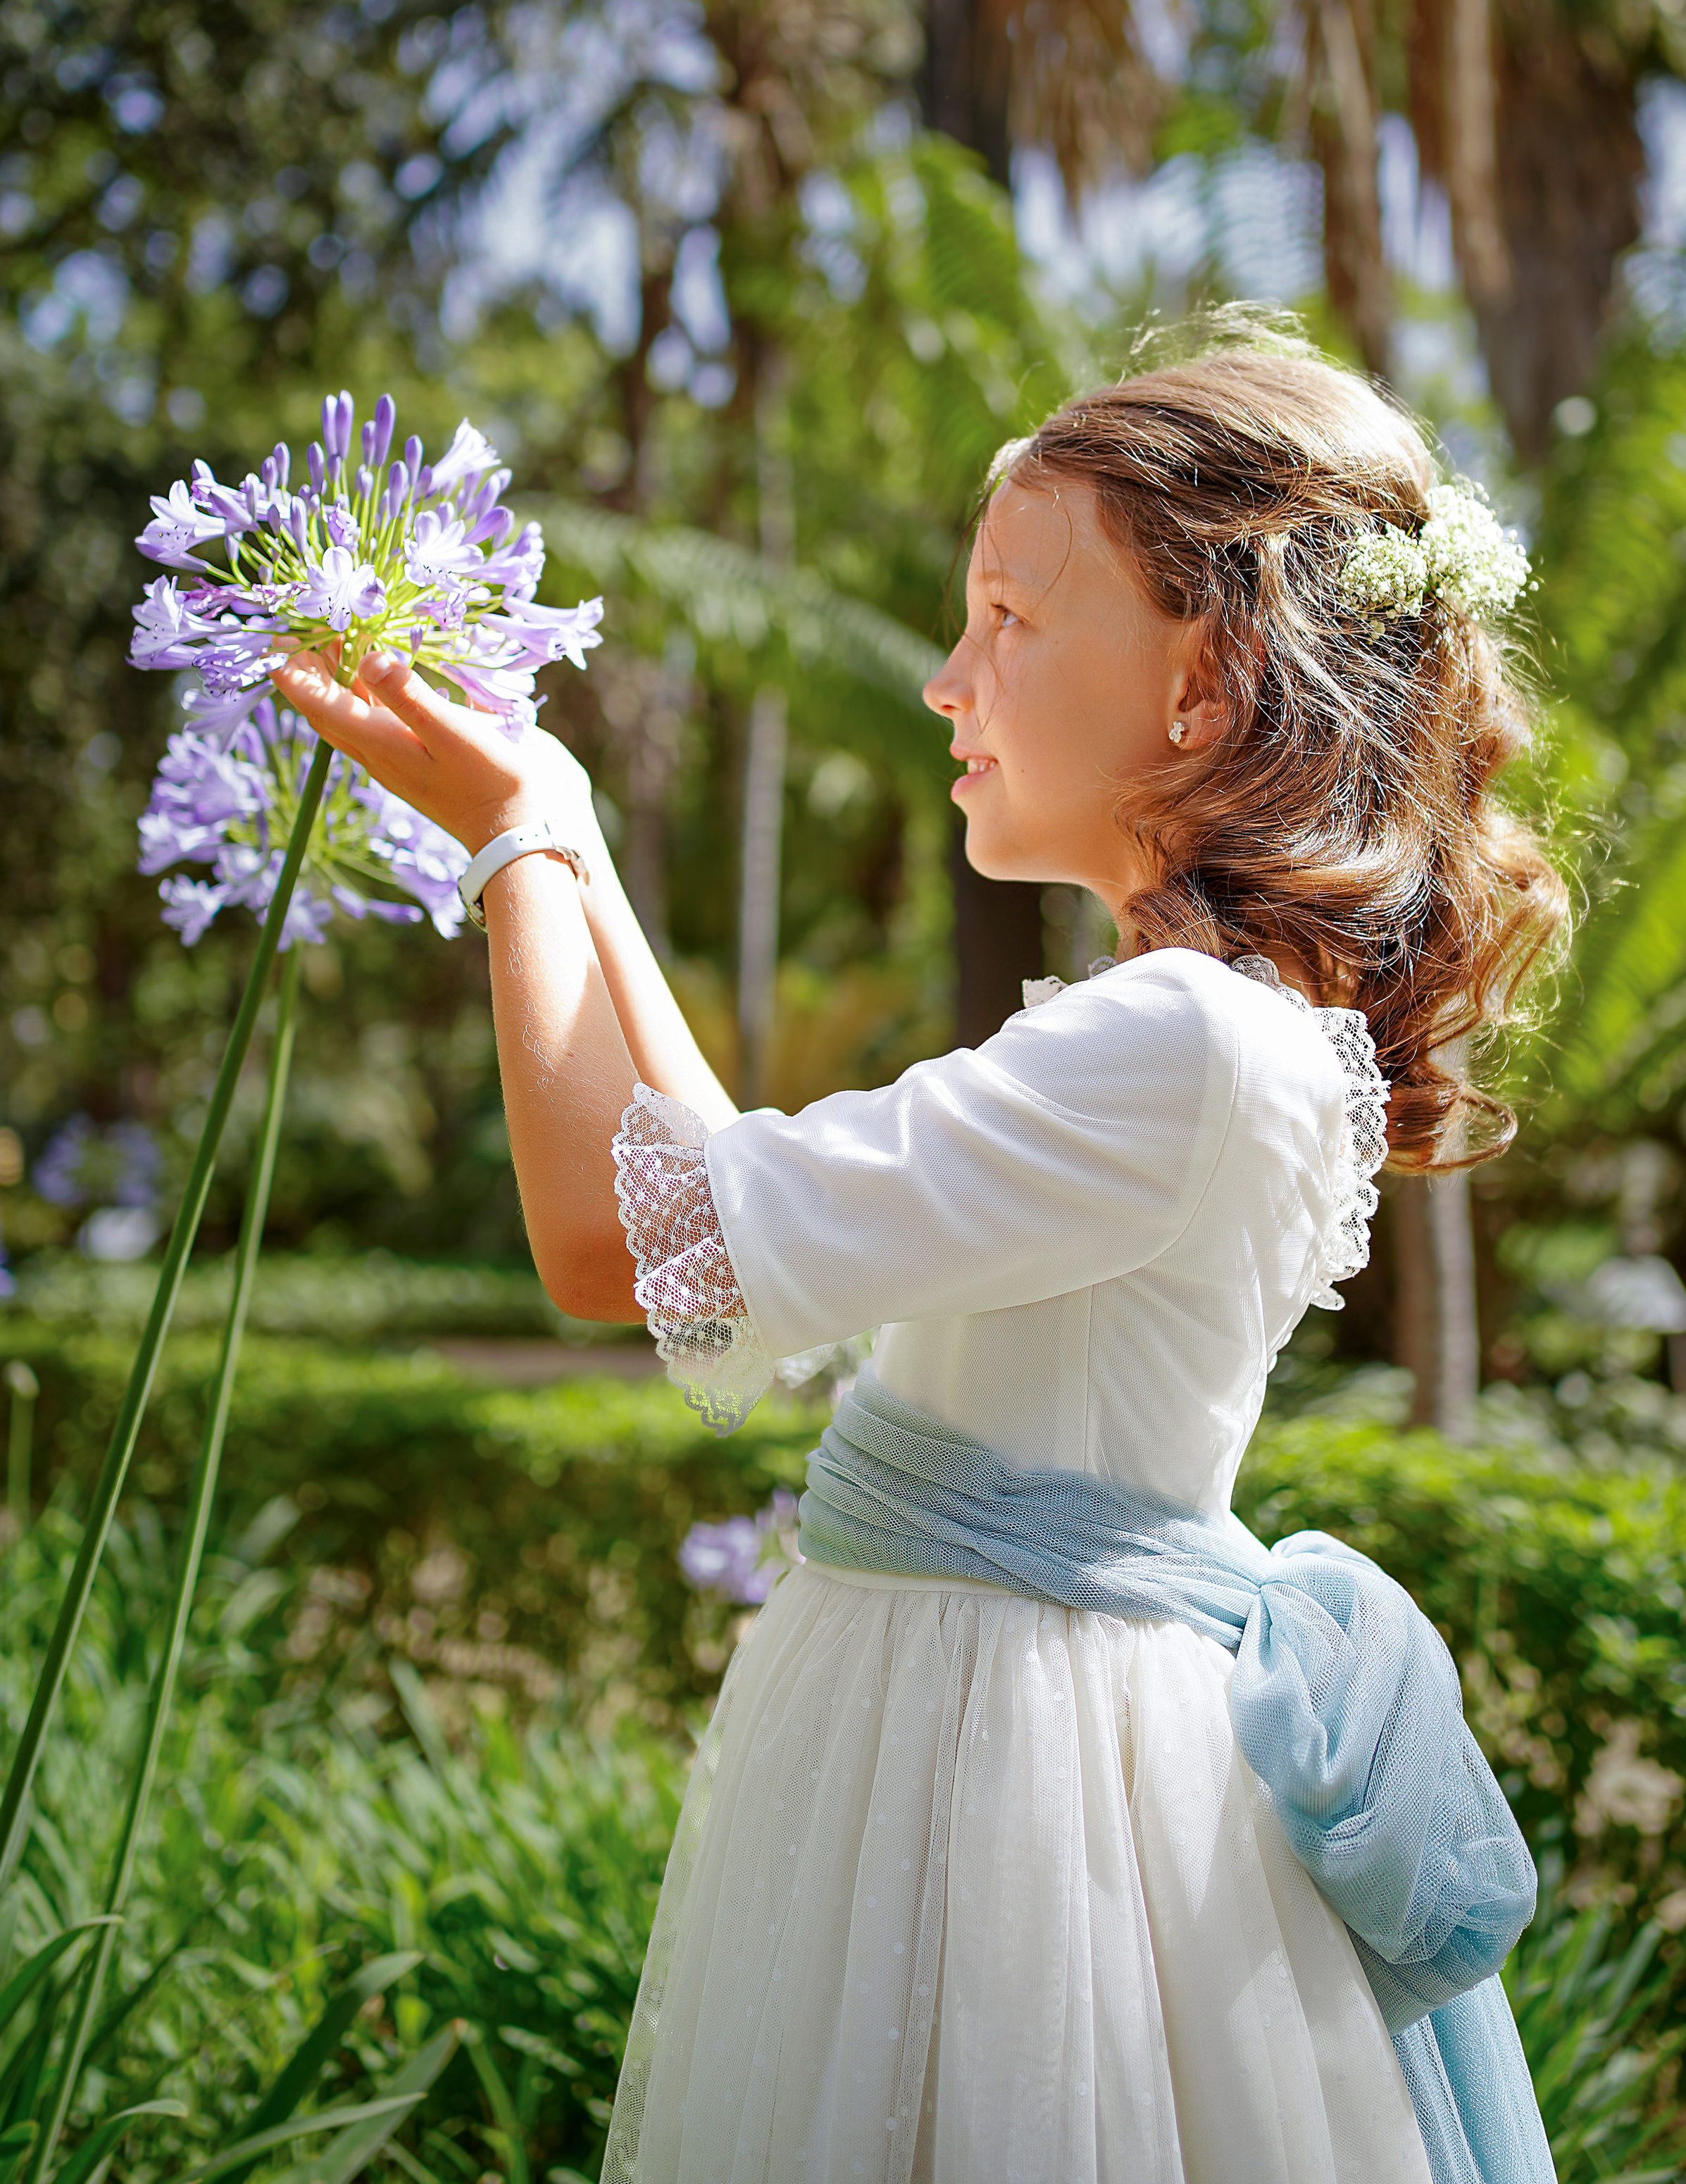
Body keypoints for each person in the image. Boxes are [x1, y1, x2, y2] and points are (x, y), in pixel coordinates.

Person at [277, 317, 1570, 2184]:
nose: (954, 678)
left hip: (1012, 1791)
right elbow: (720, 1189)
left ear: (1202, 683)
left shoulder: (1174, 1045)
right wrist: (570, 831)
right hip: (1033, 1723)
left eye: (1010, 620)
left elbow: (617, 1244)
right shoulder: (1214, 1031)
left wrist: (506, 847)